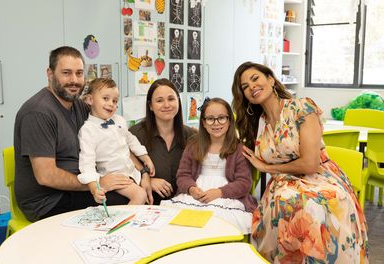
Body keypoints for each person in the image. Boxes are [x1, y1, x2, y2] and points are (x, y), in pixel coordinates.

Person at [232, 62, 369, 262]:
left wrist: (268, 167)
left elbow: (310, 164)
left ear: (270, 80)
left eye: (255, 79)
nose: (251, 87)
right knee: (287, 202)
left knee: (314, 205)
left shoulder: (301, 107)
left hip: (320, 177)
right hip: (283, 183)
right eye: (245, 86)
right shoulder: (257, 123)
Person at [14, 46, 150, 222]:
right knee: (130, 199)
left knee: (144, 191)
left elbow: (117, 138)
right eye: (66, 73)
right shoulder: (38, 113)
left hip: (82, 184)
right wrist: (97, 184)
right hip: (48, 201)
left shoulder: (80, 107)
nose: (74, 80)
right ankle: (119, 243)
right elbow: (46, 176)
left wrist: (143, 172)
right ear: (50, 74)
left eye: (79, 73)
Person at [161, 98, 257, 234]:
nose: (216, 123)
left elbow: (244, 183)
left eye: (221, 118)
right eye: (210, 119)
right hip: (195, 195)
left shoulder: (239, 149)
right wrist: (192, 189)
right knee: (182, 226)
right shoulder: (193, 145)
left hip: (227, 197)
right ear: (204, 123)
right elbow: (183, 175)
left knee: (217, 225)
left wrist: (219, 192)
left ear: (229, 121)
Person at [78, 78, 155, 205]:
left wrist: (145, 157)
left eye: (115, 101)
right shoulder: (88, 130)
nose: (111, 104)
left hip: (132, 172)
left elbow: (131, 140)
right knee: (140, 195)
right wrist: (94, 188)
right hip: (115, 177)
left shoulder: (119, 120)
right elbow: (87, 163)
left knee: (148, 198)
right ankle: (126, 224)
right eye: (105, 98)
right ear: (90, 100)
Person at [129, 78, 196, 205]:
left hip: (183, 207)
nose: (166, 105)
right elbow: (117, 168)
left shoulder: (192, 136)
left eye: (171, 99)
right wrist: (147, 180)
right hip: (147, 209)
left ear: (178, 101)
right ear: (151, 106)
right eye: (159, 100)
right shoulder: (133, 135)